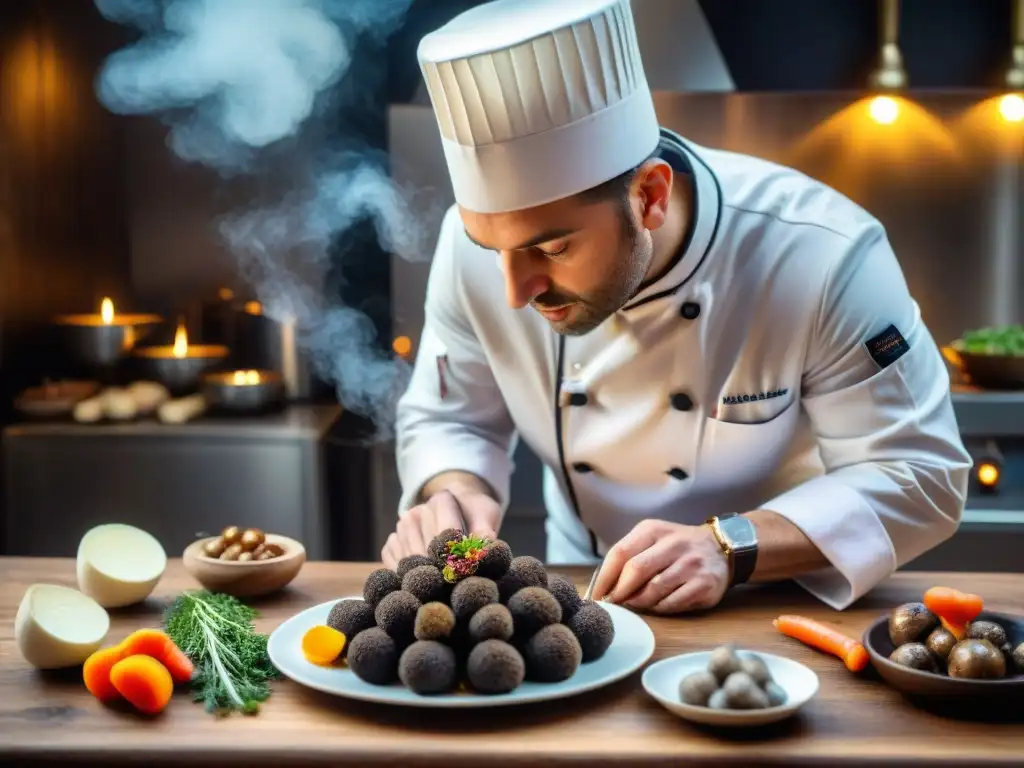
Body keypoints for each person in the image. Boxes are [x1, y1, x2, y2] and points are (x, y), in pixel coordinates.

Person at [382, 0, 972, 613]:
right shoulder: (467, 244)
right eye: (491, 247)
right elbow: (456, 420)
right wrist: (454, 493)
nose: (515, 290)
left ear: (650, 196)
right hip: (588, 599)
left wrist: (731, 546)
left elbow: (919, 473)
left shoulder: (823, 253)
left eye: (553, 246)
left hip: (777, 603)